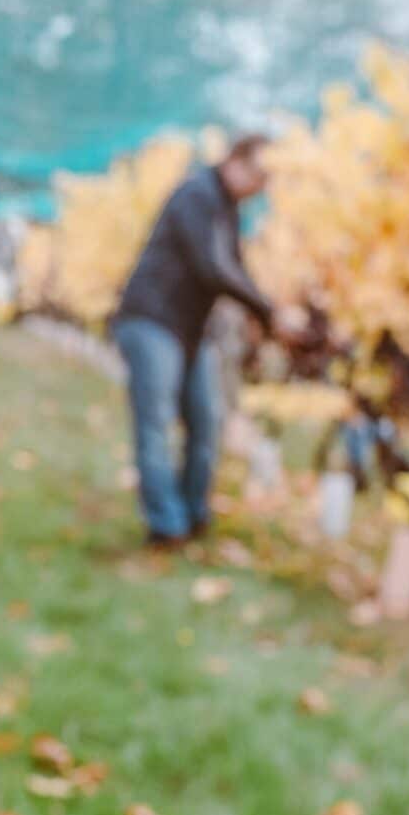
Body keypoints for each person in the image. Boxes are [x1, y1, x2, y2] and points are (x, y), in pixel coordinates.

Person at [110, 135, 298, 546]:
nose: (261, 187)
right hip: (152, 321)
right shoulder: (197, 194)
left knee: (206, 420)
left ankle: (194, 514)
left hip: (189, 330)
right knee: (156, 424)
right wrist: (266, 311)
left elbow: (234, 267)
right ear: (236, 161)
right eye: (260, 176)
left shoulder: (226, 209)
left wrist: (260, 313)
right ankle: (167, 525)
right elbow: (214, 267)